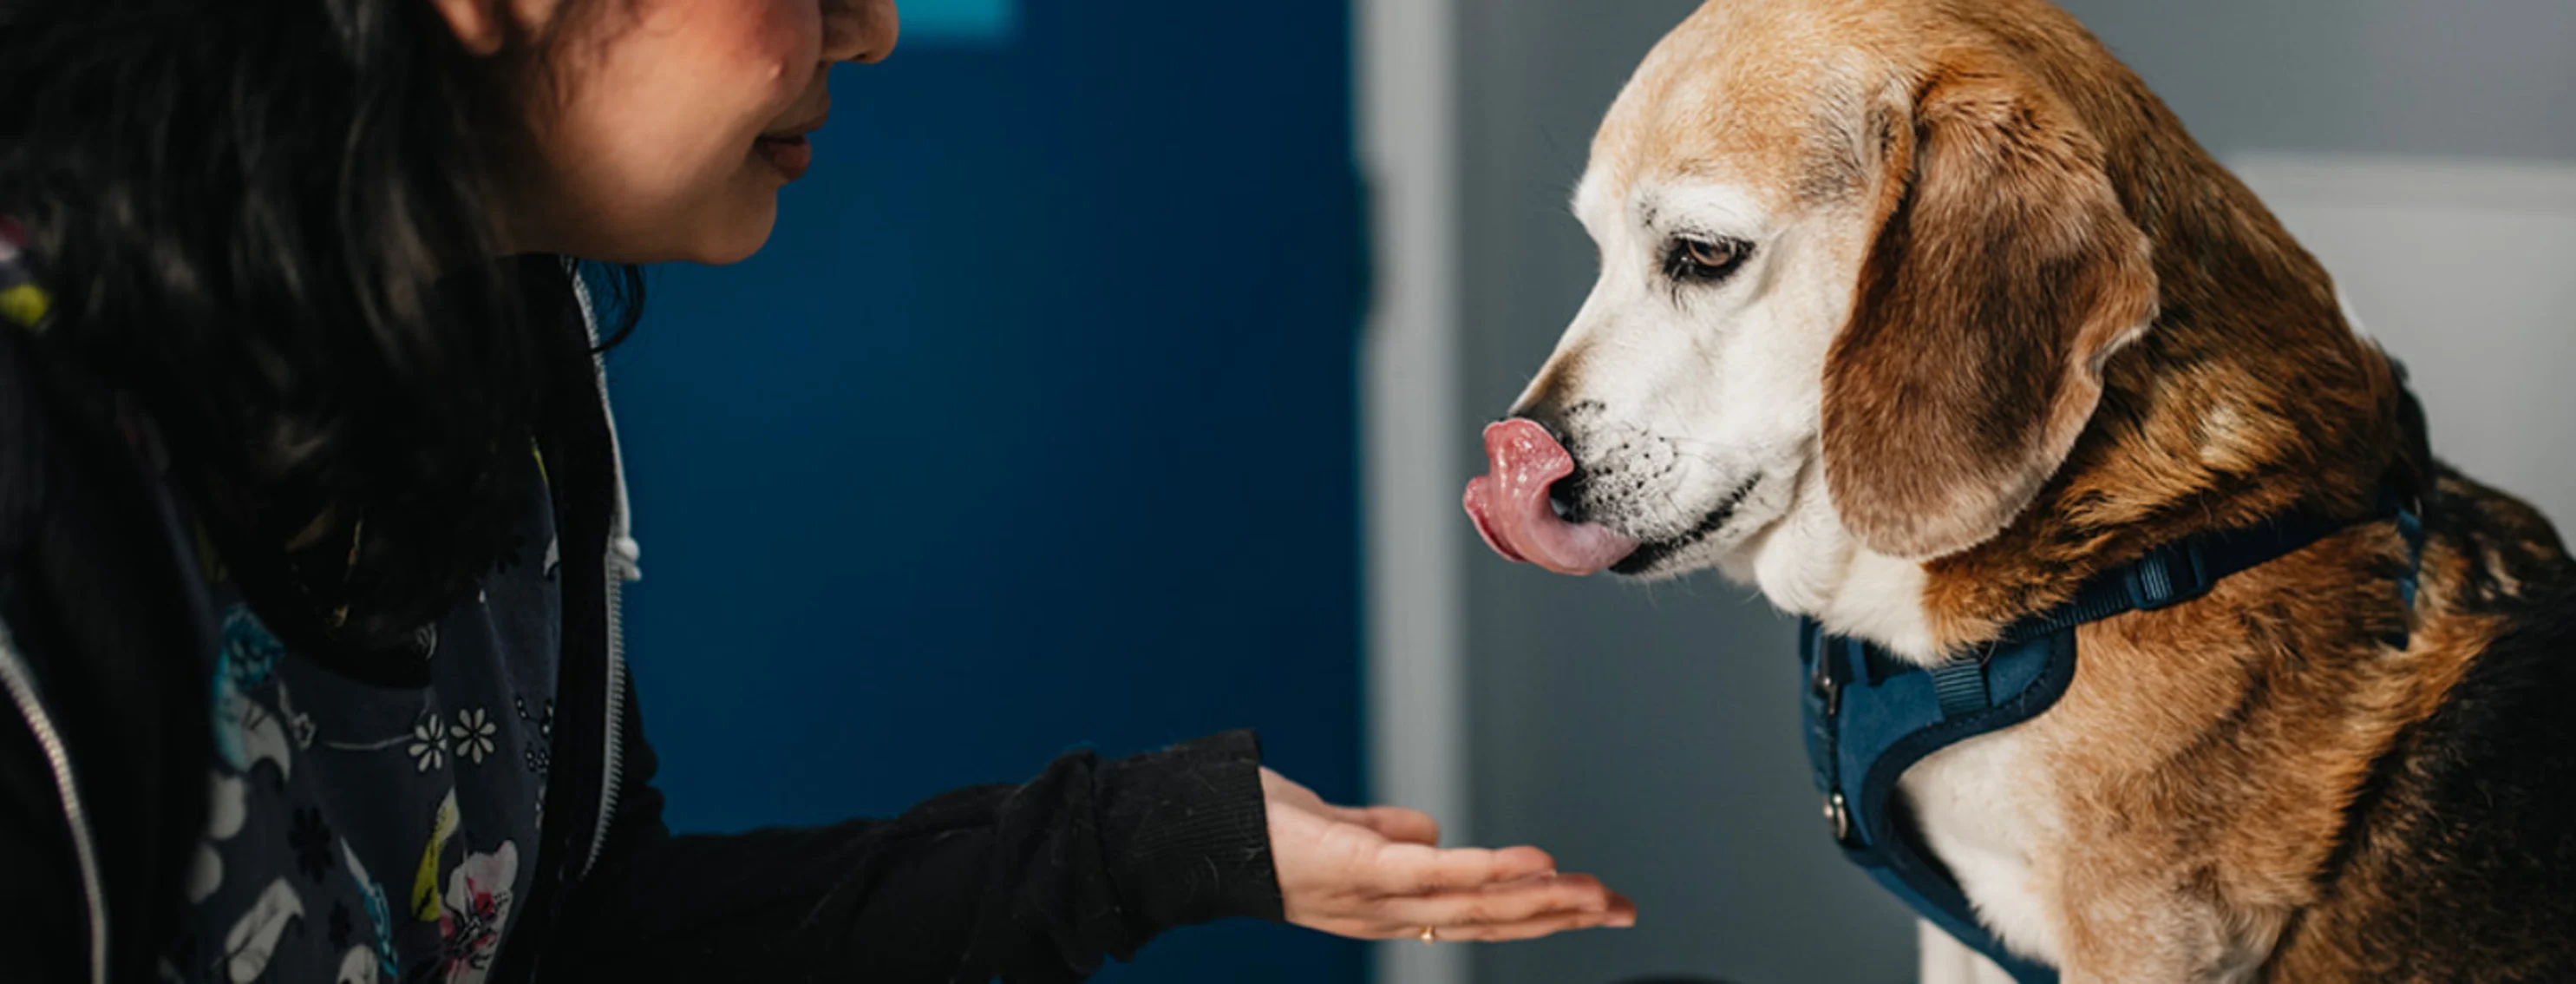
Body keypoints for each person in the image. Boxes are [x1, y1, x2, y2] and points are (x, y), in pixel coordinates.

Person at [0, 0, 1635, 982]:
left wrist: (1162, 843)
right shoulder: (42, 480)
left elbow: (585, 940)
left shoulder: (491, 329)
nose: (872, 22)